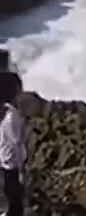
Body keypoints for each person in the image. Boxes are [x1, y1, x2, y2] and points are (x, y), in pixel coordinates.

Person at [0, 72, 25, 216]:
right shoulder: (9, 115)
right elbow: (13, 143)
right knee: (13, 198)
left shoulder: (8, 115)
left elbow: (15, 143)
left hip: (9, 165)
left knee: (12, 197)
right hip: (9, 165)